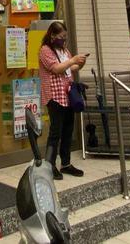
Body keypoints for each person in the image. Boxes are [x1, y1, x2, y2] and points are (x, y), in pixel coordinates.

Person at [38, 20, 87, 180]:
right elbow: (56, 69)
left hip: (68, 95)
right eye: (61, 36)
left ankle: (65, 164)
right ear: (52, 36)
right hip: (54, 96)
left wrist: (80, 63)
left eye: (65, 36)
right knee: (55, 132)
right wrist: (73, 60)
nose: (64, 39)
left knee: (67, 130)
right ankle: (49, 165)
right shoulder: (45, 50)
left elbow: (71, 68)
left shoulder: (64, 50)